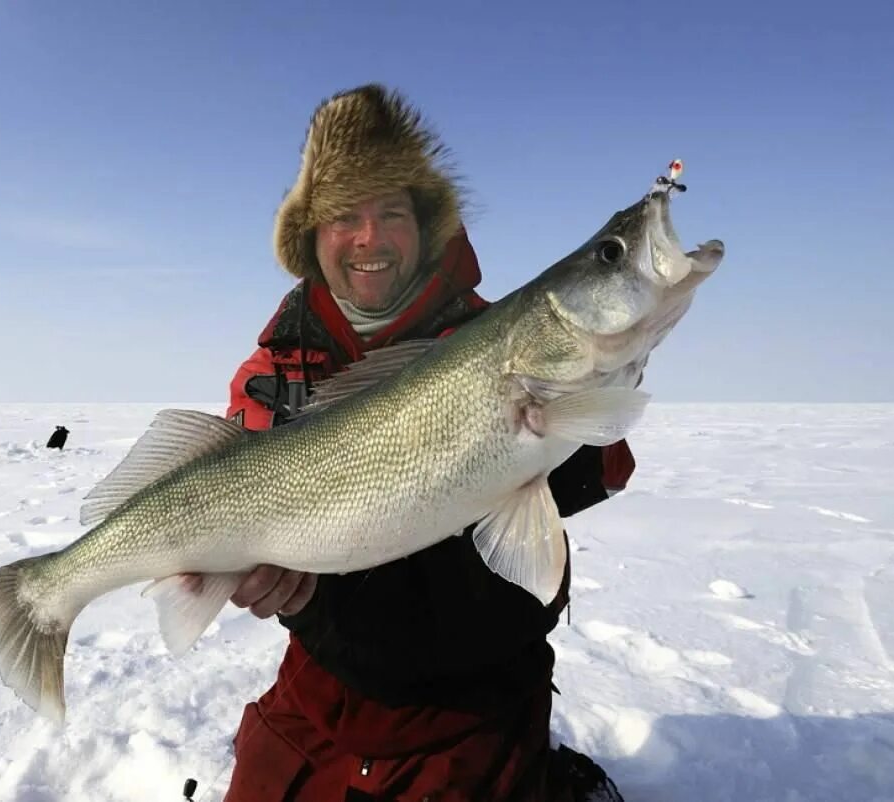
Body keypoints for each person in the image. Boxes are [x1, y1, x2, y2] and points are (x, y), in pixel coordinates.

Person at [220, 84, 632, 802]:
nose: (369, 239)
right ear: (313, 237)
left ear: (425, 225)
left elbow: (603, 469)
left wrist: (604, 375)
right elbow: (230, 508)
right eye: (345, 215)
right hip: (322, 691)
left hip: (474, 698)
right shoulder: (271, 369)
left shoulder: (498, 339)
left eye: (391, 213)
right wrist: (249, 575)